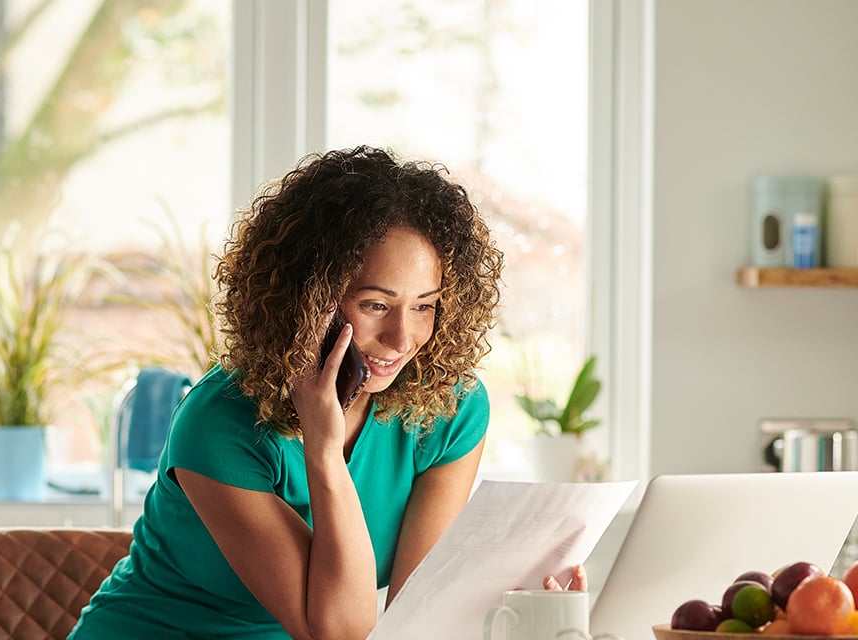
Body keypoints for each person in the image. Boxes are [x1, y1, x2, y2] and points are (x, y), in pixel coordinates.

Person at [69, 145, 584, 640]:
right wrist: (323, 449)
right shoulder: (220, 421)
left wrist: (526, 612)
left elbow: (412, 615)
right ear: (310, 300)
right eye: (376, 305)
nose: (402, 339)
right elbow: (338, 630)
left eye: (424, 306)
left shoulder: (450, 410)